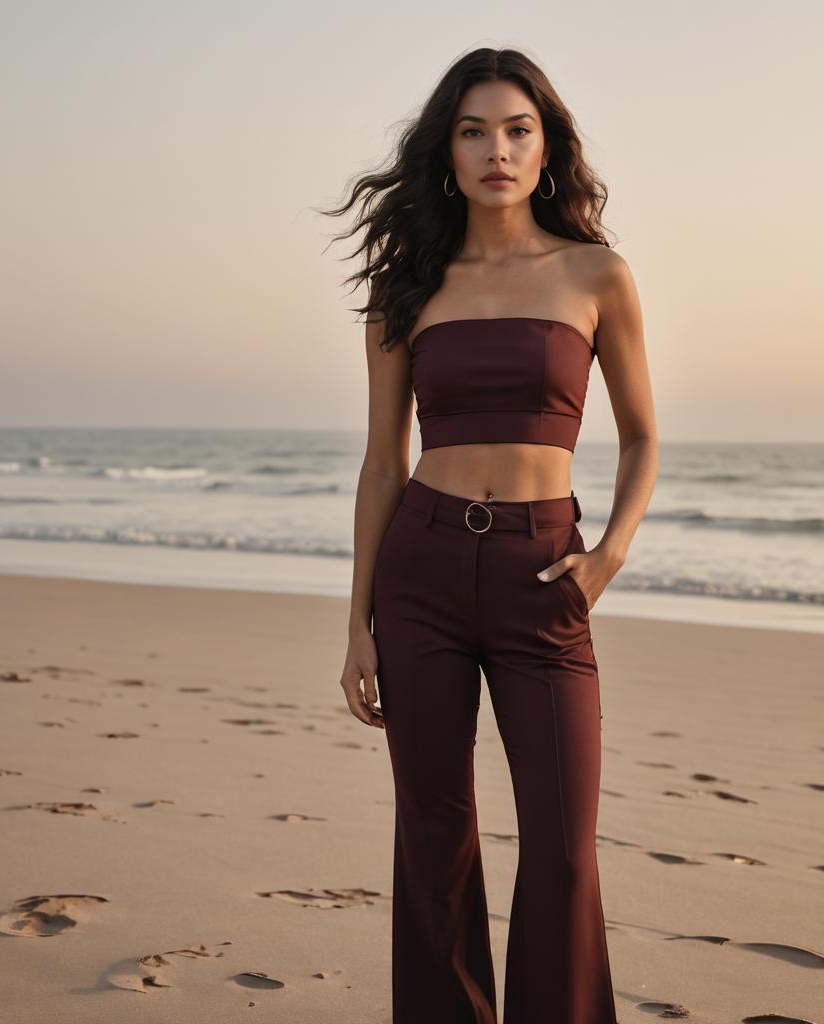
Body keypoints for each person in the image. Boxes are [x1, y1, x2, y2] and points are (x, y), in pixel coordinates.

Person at [325, 46, 658, 1024]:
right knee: (434, 833)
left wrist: (606, 558)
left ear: (547, 148)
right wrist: (358, 622)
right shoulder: (406, 284)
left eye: (517, 130)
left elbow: (641, 438)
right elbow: (383, 462)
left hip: (541, 572)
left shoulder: (597, 274)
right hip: (420, 569)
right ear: (447, 151)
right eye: (473, 131)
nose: (495, 150)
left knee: (560, 843)